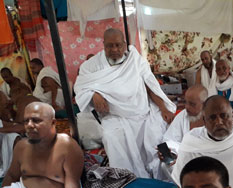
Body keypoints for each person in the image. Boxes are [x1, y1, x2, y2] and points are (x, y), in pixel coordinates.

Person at [74, 28, 176, 178]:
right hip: (115, 116)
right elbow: (80, 87)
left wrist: (163, 108)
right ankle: (125, 178)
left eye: (118, 45)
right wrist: (93, 94)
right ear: (103, 45)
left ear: (124, 44)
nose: (114, 49)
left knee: (157, 134)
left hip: (143, 113)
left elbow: (151, 86)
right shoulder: (91, 66)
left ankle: (158, 175)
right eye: (110, 46)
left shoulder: (136, 60)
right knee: (110, 136)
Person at [161, 84, 208, 155]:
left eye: (192, 104)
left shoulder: (214, 120)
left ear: (204, 104)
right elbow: (169, 139)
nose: (187, 107)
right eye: (185, 102)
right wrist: (169, 153)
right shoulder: (183, 115)